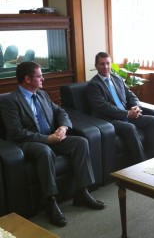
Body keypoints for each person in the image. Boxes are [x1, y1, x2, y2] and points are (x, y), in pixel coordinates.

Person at [0, 61, 105, 227]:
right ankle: (50, 202)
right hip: (28, 143)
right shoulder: (10, 101)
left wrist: (63, 127)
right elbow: (15, 132)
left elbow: (60, 111)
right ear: (27, 79)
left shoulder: (42, 94)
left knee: (81, 142)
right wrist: (46, 139)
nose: (43, 78)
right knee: (44, 151)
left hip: (51, 137)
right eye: (39, 75)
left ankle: (82, 192)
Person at [86, 52, 154, 163]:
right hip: (109, 120)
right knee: (130, 127)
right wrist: (127, 114)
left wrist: (136, 107)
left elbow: (130, 95)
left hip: (127, 115)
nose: (105, 67)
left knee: (153, 120)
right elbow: (103, 108)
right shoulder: (93, 85)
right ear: (96, 66)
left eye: (108, 63)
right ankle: (142, 163)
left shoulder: (117, 79)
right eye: (102, 64)